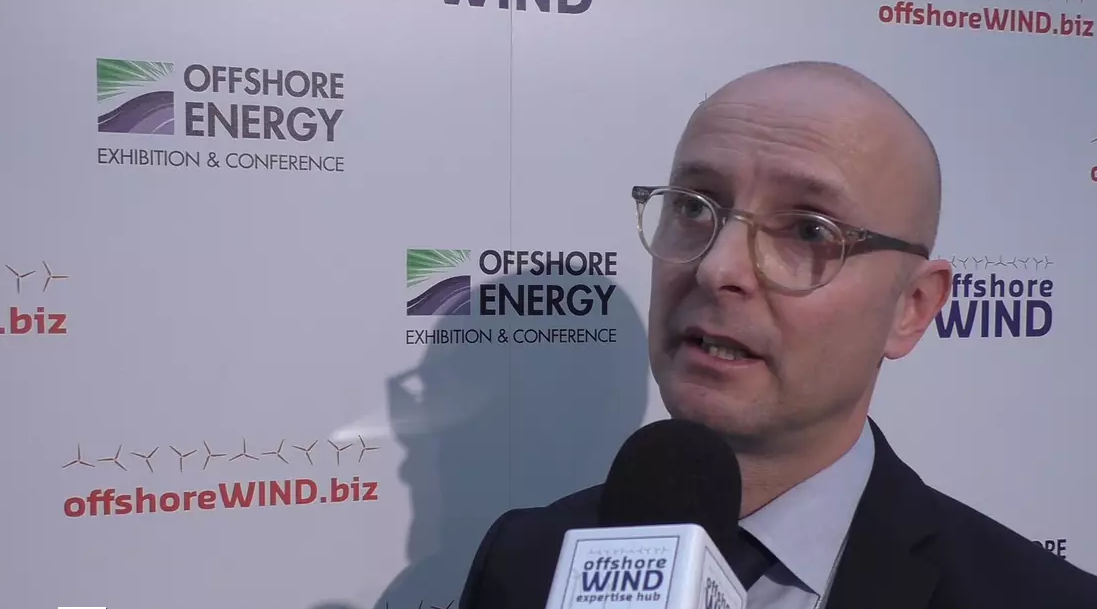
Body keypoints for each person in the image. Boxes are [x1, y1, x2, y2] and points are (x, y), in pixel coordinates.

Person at [455, 61, 1097, 609]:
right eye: (693, 205)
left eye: (809, 230)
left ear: (913, 307)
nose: (716, 268)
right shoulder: (525, 560)